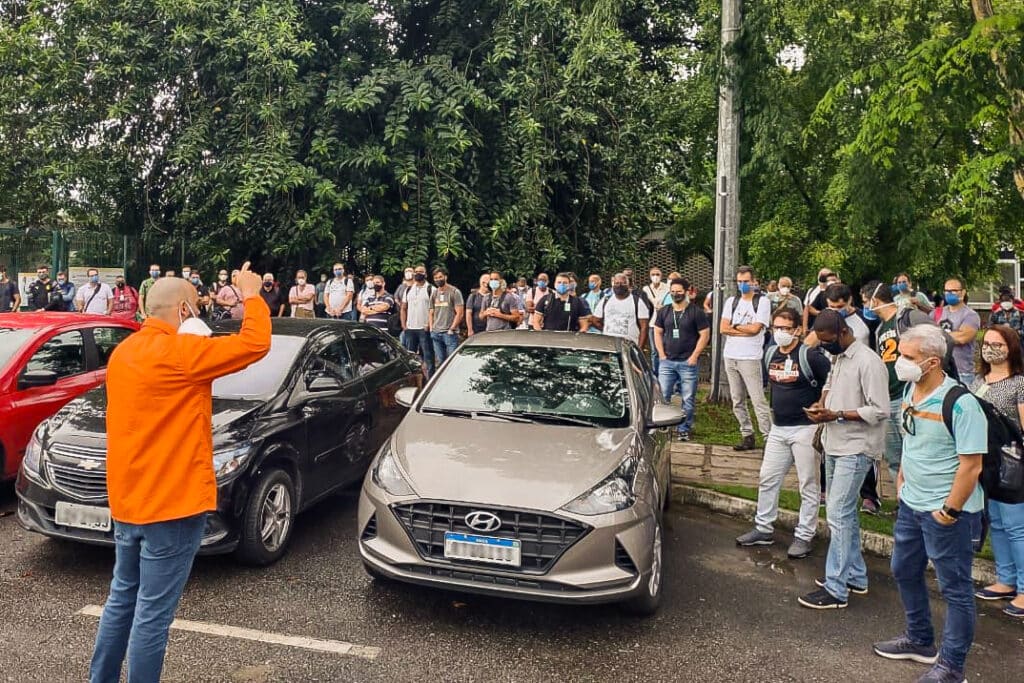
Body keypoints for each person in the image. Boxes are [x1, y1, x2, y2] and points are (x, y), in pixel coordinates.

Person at [89, 262, 270, 683]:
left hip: (129, 501)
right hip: (171, 504)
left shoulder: (125, 352)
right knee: (153, 615)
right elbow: (255, 343)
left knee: (122, 600)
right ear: (186, 311)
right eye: (200, 306)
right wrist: (251, 294)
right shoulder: (182, 355)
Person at [872, 325, 986, 682]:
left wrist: (949, 511)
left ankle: (951, 667)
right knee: (904, 570)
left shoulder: (961, 403)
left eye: (908, 357)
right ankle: (920, 641)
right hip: (912, 504)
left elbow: (972, 465)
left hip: (949, 513)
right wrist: (903, 476)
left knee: (956, 589)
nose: (899, 363)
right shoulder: (910, 390)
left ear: (933, 362)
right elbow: (911, 437)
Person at [798, 309, 888, 610]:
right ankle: (856, 576)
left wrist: (835, 414)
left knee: (836, 513)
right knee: (845, 514)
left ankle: (836, 589)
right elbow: (829, 386)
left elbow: (879, 410)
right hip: (834, 443)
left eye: (827, 341)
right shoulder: (839, 357)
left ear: (843, 332)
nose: (824, 346)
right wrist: (821, 404)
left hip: (857, 447)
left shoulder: (868, 361)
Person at [736, 308, 831, 558]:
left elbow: (831, 381)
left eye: (786, 328)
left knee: (808, 485)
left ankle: (804, 535)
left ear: (798, 330)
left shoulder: (811, 356)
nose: (781, 333)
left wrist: (822, 402)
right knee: (767, 478)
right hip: (779, 429)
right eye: (776, 327)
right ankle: (763, 527)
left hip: (805, 429)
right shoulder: (770, 354)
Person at [970, 325, 1024, 619]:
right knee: (999, 525)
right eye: (987, 343)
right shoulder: (980, 380)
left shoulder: (1019, 383)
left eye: (998, 344)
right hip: (986, 462)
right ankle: (1006, 580)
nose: (990, 348)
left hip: (1012, 462)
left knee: (1017, 528)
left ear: (1011, 348)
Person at [721, 266, 772, 451]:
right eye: (739, 282)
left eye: (745, 281)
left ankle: (768, 438)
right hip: (731, 355)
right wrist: (743, 327)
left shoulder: (762, 302)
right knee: (737, 399)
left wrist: (736, 327)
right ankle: (747, 434)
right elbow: (723, 328)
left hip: (750, 357)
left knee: (758, 400)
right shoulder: (732, 301)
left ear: (753, 281)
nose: (742, 285)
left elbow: (755, 329)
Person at [653, 277, 710, 441]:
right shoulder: (664, 311)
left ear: (686, 292)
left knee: (688, 398)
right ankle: (662, 427)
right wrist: (661, 354)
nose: (675, 294)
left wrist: (694, 356)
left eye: (679, 292)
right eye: (672, 292)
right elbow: (657, 331)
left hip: (688, 362)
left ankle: (684, 428)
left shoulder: (695, 312)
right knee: (663, 396)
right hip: (667, 361)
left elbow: (704, 335)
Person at [938, 277, 981, 386]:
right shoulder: (936, 313)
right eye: (947, 291)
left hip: (962, 373)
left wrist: (936, 335)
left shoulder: (971, 315)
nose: (949, 294)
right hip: (938, 371)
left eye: (953, 291)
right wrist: (952, 335)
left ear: (963, 292)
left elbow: (962, 338)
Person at [592, 273, 651, 348]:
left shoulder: (637, 302)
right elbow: (595, 320)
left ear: (628, 285)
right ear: (613, 285)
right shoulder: (605, 300)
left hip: (630, 347)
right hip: (609, 347)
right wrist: (607, 328)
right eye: (617, 283)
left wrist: (639, 349)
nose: (619, 285)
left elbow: (644, 327)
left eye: (623, 283)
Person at [804, 284, 870, 348]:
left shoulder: (865, 317)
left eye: (840, 306)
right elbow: (807, 345)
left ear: (849, 300)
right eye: (832, 306)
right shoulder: (823, 319)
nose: (836, 310)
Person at [401, 264, 435, 375]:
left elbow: (435, 309)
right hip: (410, 328)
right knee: (411, 358)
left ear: (425, 274)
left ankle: (430, 380)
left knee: (428, 356)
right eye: (416, 271)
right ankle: (415, 381)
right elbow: (403, 308)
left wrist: (430, 324)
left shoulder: (431, 289)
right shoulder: (408, 289)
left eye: (420, 271)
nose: (417, 273)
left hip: (424, 328)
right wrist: (404, 325)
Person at [428, 267, 464, 366]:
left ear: (445, 277)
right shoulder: (434, 293)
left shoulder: (454, 292)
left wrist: (452, 329)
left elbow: (460, 313)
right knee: (441, 362)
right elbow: (431, 311)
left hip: (449, 333)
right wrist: (431, 328)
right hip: (436, 332)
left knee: (452, 363)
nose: (438, 280)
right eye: (435, 278)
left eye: (440, 277)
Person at [643, 268, 670, 372]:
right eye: (653, 274)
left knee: (665, 349)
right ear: (650, 276)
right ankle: (655, 372)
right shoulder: (646, 289)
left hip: (665, 322)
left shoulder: (667, 288)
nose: (655, 276)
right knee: (654, 351)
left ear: (661, 275)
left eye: (657, 274)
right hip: (652, 323)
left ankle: (665, 371)